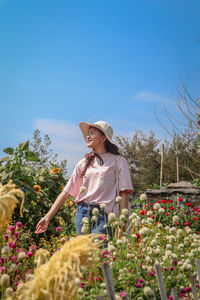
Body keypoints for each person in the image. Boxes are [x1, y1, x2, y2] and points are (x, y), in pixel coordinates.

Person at [35, 121, 133, 237]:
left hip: (105, 215)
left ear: (103, 138)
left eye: (92, 133)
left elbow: (124, 193)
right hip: (82, 213)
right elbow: (66, 192)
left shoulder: (118, 161)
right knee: (83, 253)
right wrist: (47, 217)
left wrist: (123, 223)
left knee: (99, 251)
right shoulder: (83, 163)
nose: (88, 136)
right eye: (88, 133)